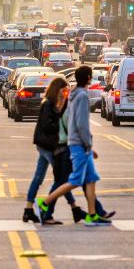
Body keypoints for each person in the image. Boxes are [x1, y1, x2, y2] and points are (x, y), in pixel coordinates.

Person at [34, 65, 110, 226]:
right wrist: (88, 143)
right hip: (79, 144)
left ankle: (92, 214)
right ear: (89, 78)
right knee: (75, 180)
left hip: (78, 143)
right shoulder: (82, 96)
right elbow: (81, 123)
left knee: (91, 179)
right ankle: (45, 202)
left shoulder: (74, 95)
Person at [24, 77, 80, 224]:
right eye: (64, 90)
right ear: (57, 89)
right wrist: (60, 121)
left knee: (39, 177)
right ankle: (65, 210)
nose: (65, 92)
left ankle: (28, 210)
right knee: (61, 180)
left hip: (45, 145)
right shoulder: (48, 104)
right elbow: (48, 125)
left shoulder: (54, 103)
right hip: (48, 146)